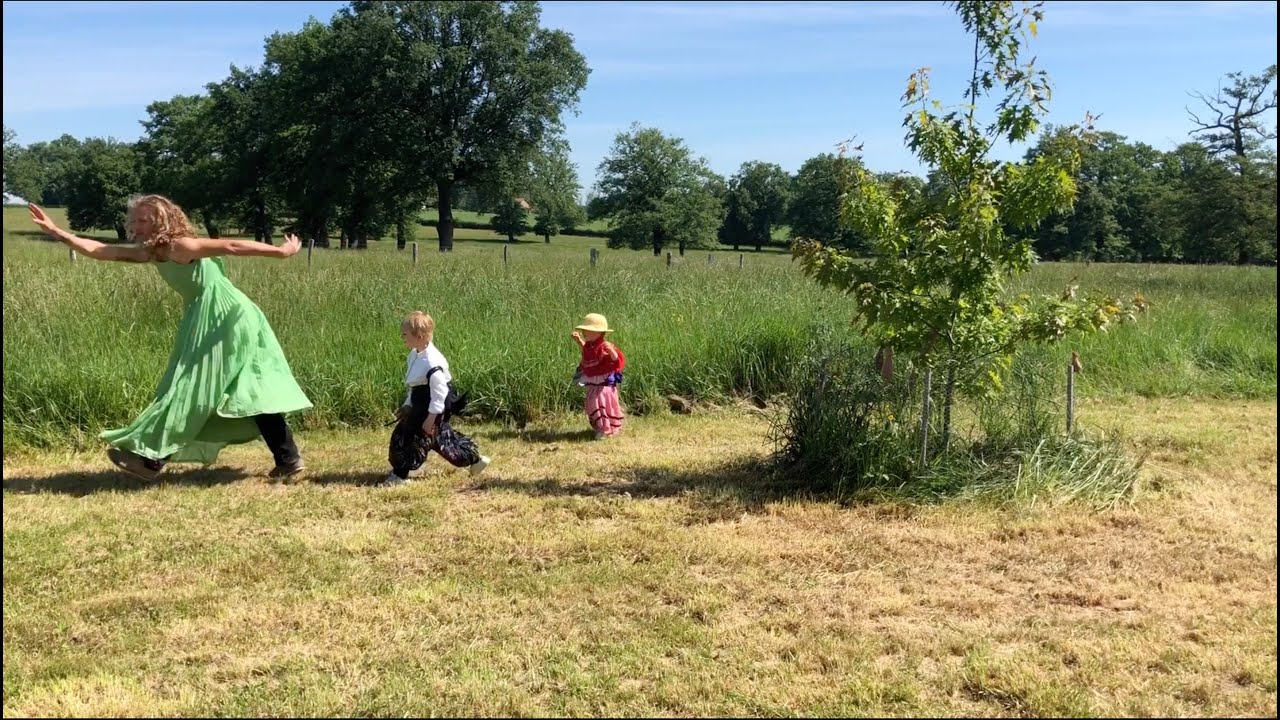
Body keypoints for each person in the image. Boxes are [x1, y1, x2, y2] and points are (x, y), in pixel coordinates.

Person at [26, 197, 312, 481]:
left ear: (162, 222)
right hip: (205, 317)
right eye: (134, 220)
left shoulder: (181, 246)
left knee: (190, 386)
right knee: (246, 388)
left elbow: (232, 246)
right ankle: (288, 460)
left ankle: (151, 459)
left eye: (143, 220)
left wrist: (281, 251)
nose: (136, 226)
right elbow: (100, 250)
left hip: (227, 317)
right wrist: (56, 231)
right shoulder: (150, 252)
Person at [385, 311, 490, 486]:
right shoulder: (414, 355)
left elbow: (440, 392)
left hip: (432, 407)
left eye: (405, 334)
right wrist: (407, 404)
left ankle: (400, 474)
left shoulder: (432, 362)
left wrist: (431, 418)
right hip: (421, 404)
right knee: (441, 438)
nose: (402, 337)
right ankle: (474, 459)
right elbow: (414, 386)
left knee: (408, 437)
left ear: (419, 336)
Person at [571, 313, 625, 439]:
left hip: (603, 383)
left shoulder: (604, 346)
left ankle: (605, 429)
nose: (584, 332)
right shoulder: (590, 345)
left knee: (601, 403)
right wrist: (579, 341)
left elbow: (615, 360)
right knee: (592, 403)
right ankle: (600, 427)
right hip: (594, 382)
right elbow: (588, 352)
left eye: (587, 330)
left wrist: (611, 351)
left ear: (597, 332)